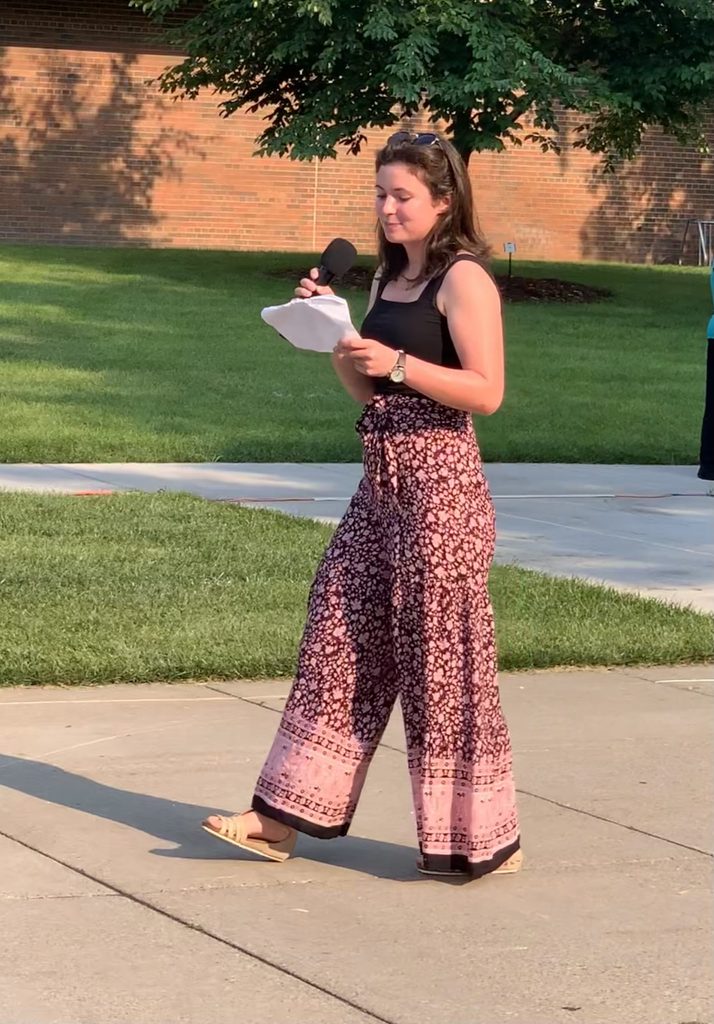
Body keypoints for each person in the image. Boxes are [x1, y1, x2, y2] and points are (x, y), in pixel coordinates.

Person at [202, 130, 521, 877]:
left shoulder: (464, 279)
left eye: (402, 196)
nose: (387, 209)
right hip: (380, 487)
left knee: (443, 665)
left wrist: (403, 363)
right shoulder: (387, 281)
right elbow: (366, 390)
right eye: (380, 194)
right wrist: (341, 342)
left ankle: (481, 839)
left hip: (443, 492)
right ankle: (280, 816)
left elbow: (489, 392)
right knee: (335, 639)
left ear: (444, 201)